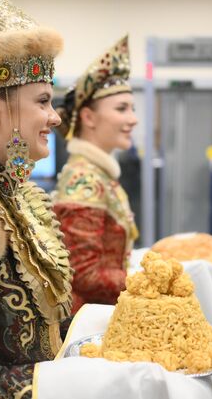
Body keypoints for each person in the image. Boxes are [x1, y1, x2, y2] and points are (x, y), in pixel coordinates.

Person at [0, 0, 212, 398]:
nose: (55, 117)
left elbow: (40, 336)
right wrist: (67, 382)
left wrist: (122, 337)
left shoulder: (18, 199)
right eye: (42, 101)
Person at [53, 36, 139, 313]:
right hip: (91, 322)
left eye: (132, 108)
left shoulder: (97, 173)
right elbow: (84, 273)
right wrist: (144, 281)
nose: (133, 118)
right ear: (89, 118)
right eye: (122, 108)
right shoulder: (84, 178)